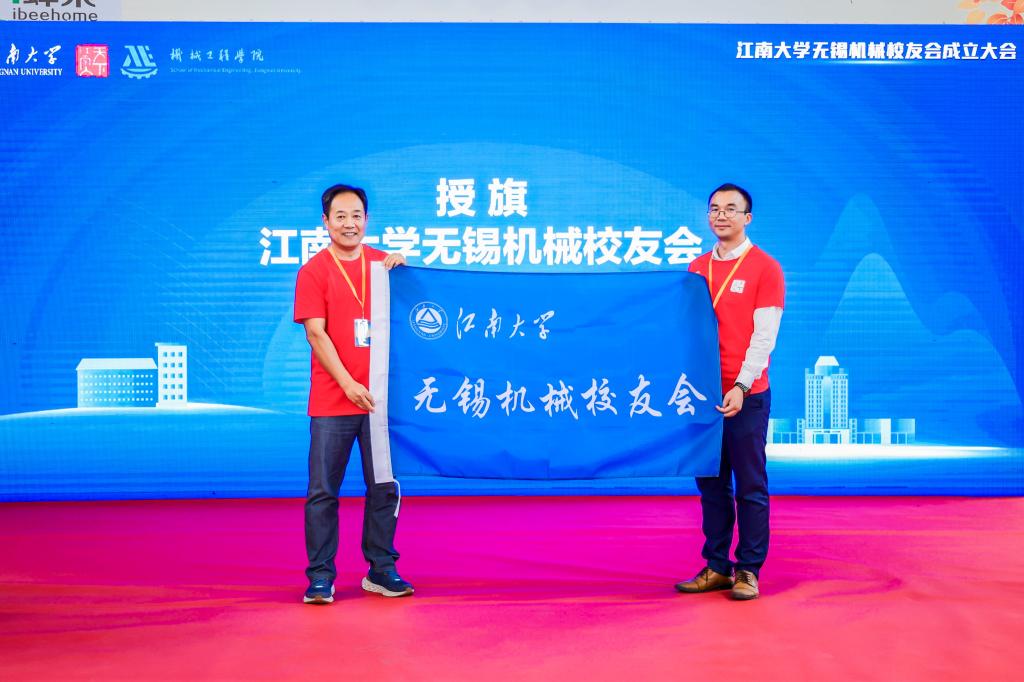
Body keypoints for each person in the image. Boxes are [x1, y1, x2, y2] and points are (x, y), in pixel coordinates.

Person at [293, 183, 411, 604]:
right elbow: (316, 334)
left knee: (384, 487)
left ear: (367, 219)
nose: (349, 223)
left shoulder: (384, 266)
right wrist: (348, 384)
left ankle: (381, 569)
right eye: (340, 216)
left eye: (356, 215)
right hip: (333, 400)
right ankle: (320, 577)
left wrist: (408, 273)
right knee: (323, 491)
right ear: (325, 222)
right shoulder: (314, 271)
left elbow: (417, 316)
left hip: (380, 402)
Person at [675, 183, 785, 600]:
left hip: (746, 395)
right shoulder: (697, 268)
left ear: (747, 218)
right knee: (711, 485)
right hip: (703, 395)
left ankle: (748, 570)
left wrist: (741, 384)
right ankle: (717, 566)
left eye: (730, 209)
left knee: (750, 486)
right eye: (714, 208)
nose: (721, 215)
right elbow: (685, 329)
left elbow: (764, 337)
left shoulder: (765, 268)